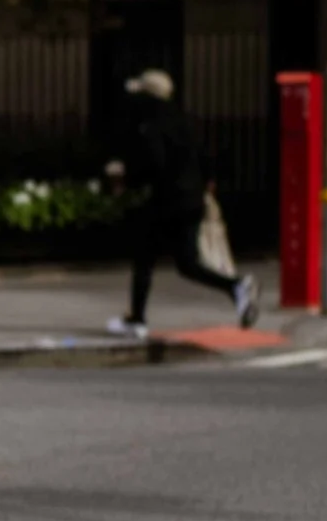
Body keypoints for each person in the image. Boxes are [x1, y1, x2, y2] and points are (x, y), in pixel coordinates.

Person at [106, 68, 258, 336]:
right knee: (187, 263)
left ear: (147, 97)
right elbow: (205, 160)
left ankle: (137, 320)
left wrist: (125, 178)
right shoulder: (186, 121)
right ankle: (235, 286)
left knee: (144, 258)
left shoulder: (150, 125)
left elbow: (154, 163)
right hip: (191, 200)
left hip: (166, 200)